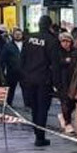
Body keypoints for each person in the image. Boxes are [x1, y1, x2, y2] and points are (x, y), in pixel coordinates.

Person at [21, 15, 59, 146]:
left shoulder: (29, 38)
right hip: (44, 79)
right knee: (43, 108)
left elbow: (22, 58)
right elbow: (55, 63)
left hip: (29, 78)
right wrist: (56, 83)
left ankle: (37, 132)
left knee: (34, 108)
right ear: (50, 25)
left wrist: (23, 76)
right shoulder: (52, 40)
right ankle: (40, 136)